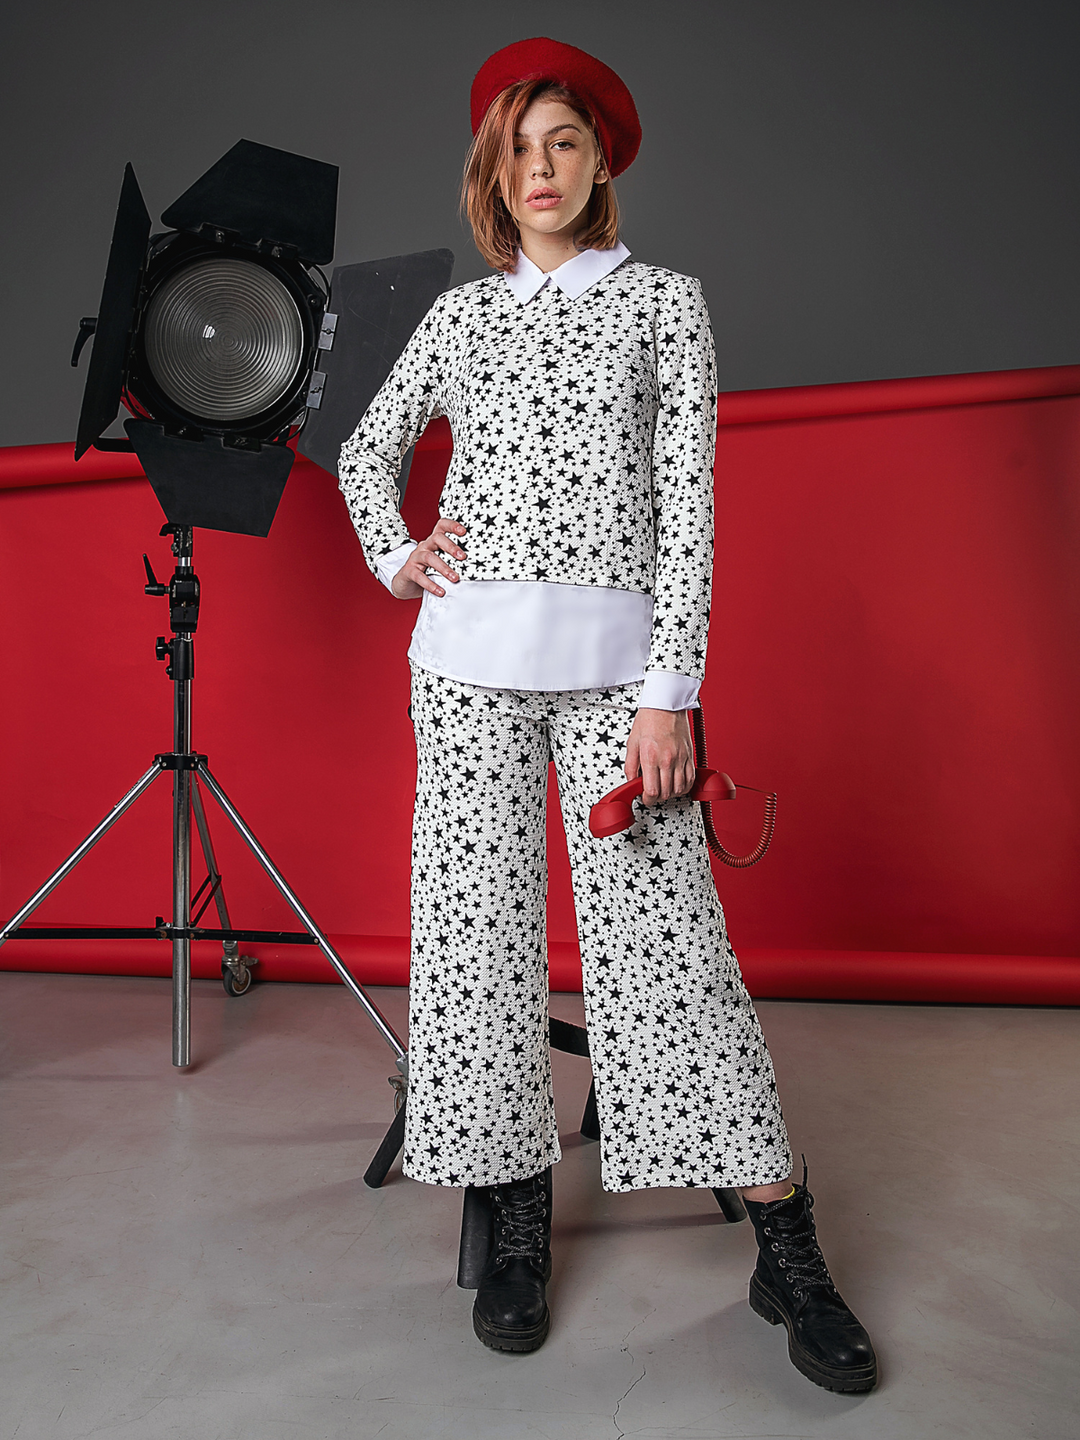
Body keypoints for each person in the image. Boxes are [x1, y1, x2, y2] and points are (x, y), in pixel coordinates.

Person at [338, 37, 877, 1394]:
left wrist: (672, 693)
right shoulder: (461, 319)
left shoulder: (665, 307)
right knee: (475, 946)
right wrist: (397, 553)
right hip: (465, 671)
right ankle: (516, 1212)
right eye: (518, 150)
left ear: (600, 162)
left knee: (667, 948)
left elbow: (691, 511)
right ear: (491, 174)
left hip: (617, 679)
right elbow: (364, 449)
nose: (540, 170)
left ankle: (786, 1239)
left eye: (563, 143)